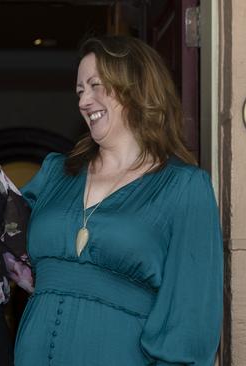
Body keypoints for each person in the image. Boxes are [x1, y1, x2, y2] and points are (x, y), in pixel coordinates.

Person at [13, 35, 223, 365]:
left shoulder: (184, 186)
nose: (84, 101)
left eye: (96, 85)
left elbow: (191, 311)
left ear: (135, 87)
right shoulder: (56, 173)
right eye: (80, 90)